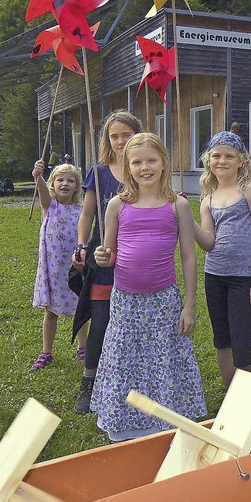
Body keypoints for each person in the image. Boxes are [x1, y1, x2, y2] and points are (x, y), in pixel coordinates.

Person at [91, 133, 206, 441]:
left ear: (164, 164)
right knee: (125, 356)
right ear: (127, 167)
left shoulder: (177, 205)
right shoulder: (117, 205)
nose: (145, 167)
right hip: (125, 299)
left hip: (164, 300)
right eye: (137, 162)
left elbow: (189, 257)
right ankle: (124, 420)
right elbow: (108, 253)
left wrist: (190, 306)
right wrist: (102, 257)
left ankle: (164, 420)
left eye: (151, 160)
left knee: (162, 357)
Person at [71, 110, 143, 413]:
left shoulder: (146, 169)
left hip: (138, 258)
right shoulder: (99, 172)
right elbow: (87, 213)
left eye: (126, 134)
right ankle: (89, 381)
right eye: (114, 136)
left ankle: (133, 379)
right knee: (101, 321)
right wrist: (82, 245)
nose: (120, 141)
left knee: (133, 322)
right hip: (103, 258)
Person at [194, 131, 251, 388]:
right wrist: (187, 219)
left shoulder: (250, 191)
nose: (222, 161)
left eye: (229, 156)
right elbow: (208, 242)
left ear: (242, 161)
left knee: (242, 343)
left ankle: (250, 396)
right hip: (214, 276)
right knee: (222, 339)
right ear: (208, 160)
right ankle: (231, 393)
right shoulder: (208, 199)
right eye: (216, 156)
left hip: (243, 278)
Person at [30, 159, 86, 369]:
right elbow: (43, 194)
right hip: (52, 269)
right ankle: (47, 351)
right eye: (60, 180)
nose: (65, 183)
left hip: (74, 267)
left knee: (81, 308)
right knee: (50, 312)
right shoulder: (50, 206)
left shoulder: (81, 210)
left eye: (70, 180)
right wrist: (38, 176)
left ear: (77, 186)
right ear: (52, 185)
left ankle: (83, 348)